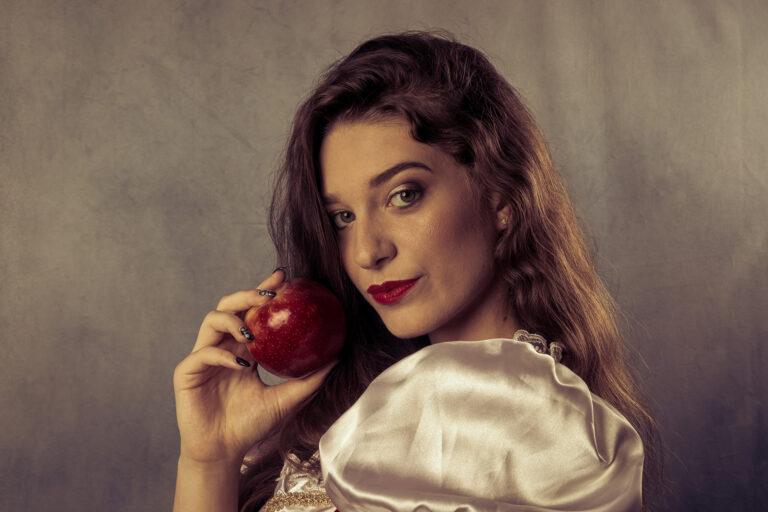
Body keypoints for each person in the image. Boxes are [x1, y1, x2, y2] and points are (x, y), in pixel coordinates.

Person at [172, 31, 661, 512]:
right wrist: (210, 458)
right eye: (343, 217)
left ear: (502, 198)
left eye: (403, 195)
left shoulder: (529, 424)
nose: (367, 251)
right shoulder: (388, 401)